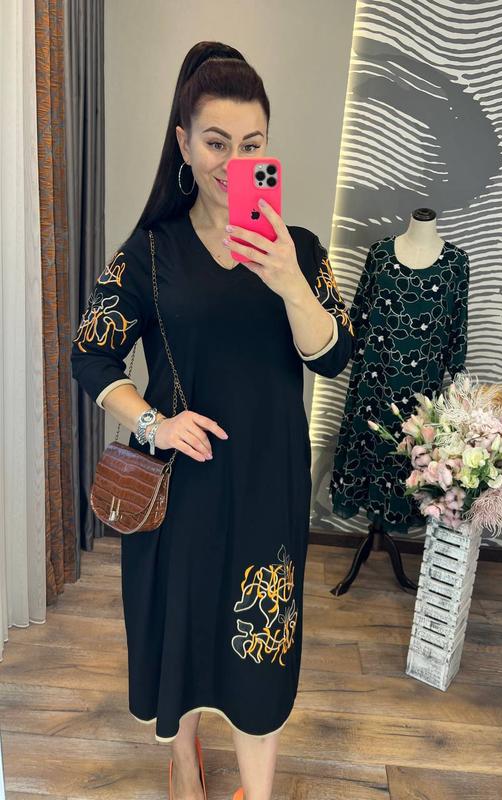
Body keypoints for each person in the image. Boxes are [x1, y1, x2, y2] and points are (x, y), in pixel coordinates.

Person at [70, 41, 354, 800]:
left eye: (253, 145)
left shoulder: (299, 251)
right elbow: (91, 356)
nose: (235, 161)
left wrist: (290, 280)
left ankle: (258, 792)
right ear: (184, 144)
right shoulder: (149, 253)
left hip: (268, 484)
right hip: (183, 490)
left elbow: (334, 357)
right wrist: (154, 424)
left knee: (262, 647)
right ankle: (186, 763)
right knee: (188, 630)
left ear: (268, 149)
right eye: (217, 142)